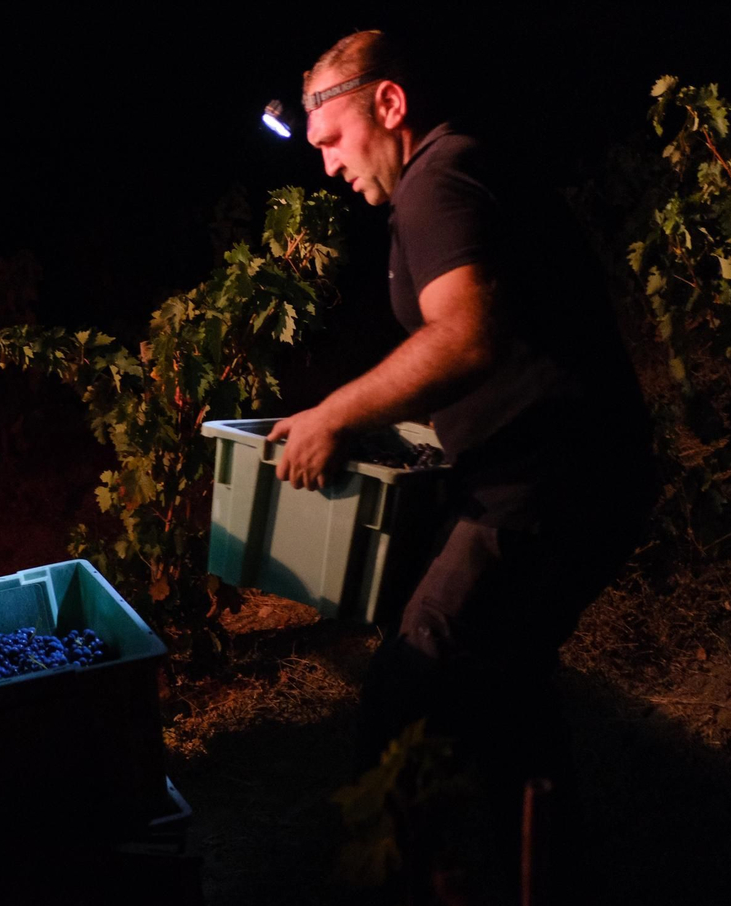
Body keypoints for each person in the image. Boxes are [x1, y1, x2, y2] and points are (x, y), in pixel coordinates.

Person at [273, 29, 657, 793]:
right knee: (505, 700)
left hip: (548, 487)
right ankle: (534, 894)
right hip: (548, 476)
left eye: (334, 139)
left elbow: (466, 336)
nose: (329, 164)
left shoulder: (441, 178)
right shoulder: (452, 173)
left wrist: (335, 415)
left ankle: (394, 898)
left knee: (414, 682)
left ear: (389, 102)